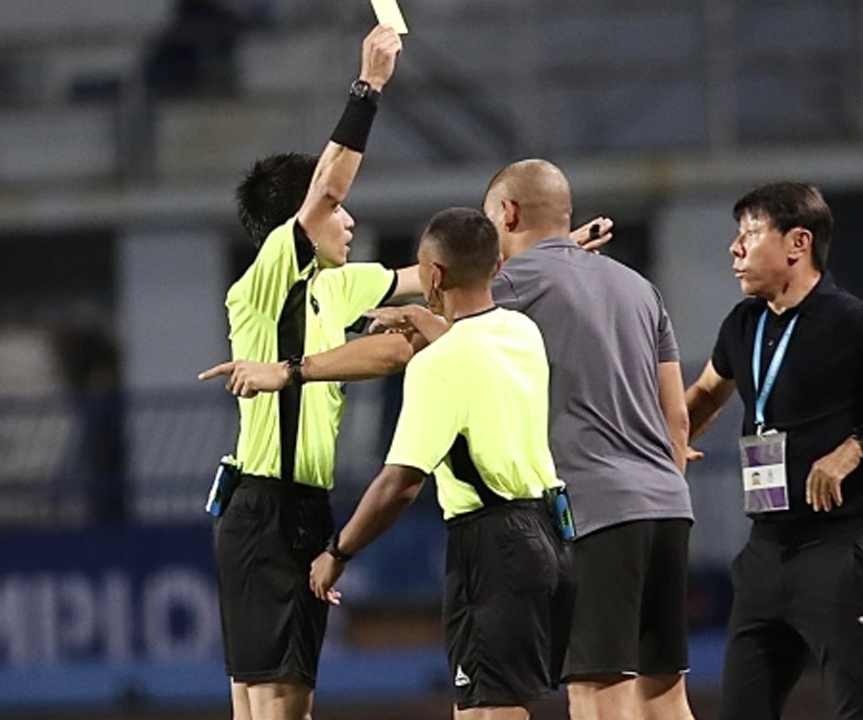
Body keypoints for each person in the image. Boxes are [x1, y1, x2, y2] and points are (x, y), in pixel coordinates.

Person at [683, 181, 863, 720]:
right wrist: (657, 447)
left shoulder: (852, 319)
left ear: (797, 243)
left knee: (859, 711)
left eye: (750, 234)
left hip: (838, 550)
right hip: (764, 550)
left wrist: (856, 445)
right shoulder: (743, 323)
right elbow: (703, 399)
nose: (734, 249)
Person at [202, 24, 404, 720]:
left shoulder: (335, 286)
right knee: (278, 706)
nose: (348, 219)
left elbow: (441, 278)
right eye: (336, 210)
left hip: (295, 508)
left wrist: (542, 253)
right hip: (267, 507)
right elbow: (330, 180)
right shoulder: (268, 277)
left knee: (265, 706)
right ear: (303, 217)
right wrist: (368, 86)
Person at [307, 207, 576, 719]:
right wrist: (419, 317)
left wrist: (337, 552)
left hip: (492, 545)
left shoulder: (437, 367)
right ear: (497, 265)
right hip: (550, 534)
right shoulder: (522, 332)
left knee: (488, 710)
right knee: (488, 704)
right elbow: (469, 344)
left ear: (432, 275)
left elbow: (400, 484)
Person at [475, 159, 696, 720]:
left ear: (507, 213)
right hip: (668, 506)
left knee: (599, 692)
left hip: (595, 512)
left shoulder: (512, 285)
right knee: (663, 692)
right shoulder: (640, 288)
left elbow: (444, 303)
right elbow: (679, 419)